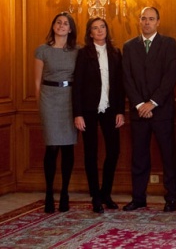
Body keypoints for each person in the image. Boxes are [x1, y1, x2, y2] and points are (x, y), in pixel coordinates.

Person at [122, 6, 176, 212]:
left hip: (161, 110)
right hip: (139, 112)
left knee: (168, 155)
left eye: (151, 19)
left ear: (158, 21)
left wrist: (152, 102)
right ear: (140, 21)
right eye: (144, 19)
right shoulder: (129, 47)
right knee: (139, 156)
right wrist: (140, 104)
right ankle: (138, 198)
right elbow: (127, 79)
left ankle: (172, 197)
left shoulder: (168, 44)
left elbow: (170, 76)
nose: (147, 22)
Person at [72, 17, 125, 214]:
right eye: (95, 28)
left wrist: (120, 110)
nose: (100, 30)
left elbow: (120, 85)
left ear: (107, 30)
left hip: (110, 109)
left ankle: (106, 194)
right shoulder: (83, 54)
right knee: (91, 153)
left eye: (102, 27)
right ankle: (95, 196)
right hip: (88, 111)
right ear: (90, 33)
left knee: (114, 151)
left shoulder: (115, 52)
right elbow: (77, 85)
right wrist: (77, 114)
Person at [34, 12, 79, 213]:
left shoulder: (78, 51)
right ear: (53, 26)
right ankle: (49, 193)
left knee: (68, 148)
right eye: (58, 23)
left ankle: (64, 193)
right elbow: (37, 82)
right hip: (49, 99)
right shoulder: (42, 50)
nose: (61, 26)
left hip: (70, 99)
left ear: (70, 29)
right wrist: (40, 104)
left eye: (65, 23)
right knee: (52, 148)